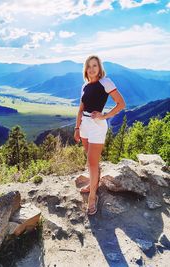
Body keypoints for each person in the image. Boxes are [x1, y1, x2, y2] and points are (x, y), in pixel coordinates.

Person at [74, 55, 126, 215]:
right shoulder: (85, 85)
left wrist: (104, 116)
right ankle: (93, 184)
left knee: (92, 162)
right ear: (86, 69)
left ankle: (92, 196)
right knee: (92, 161)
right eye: (89, 66)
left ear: (99, 67)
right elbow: (81, 109)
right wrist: (77, 127)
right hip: (84, 125)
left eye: (94, 65)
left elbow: (121, 104)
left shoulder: (106, 82)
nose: (91, 69)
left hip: (97, 126)